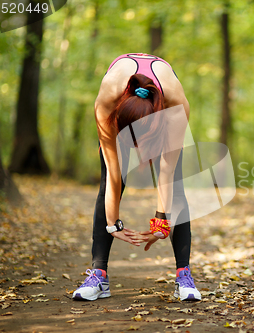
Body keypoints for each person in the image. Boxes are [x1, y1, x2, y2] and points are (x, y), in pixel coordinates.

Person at [72, 53, 201, 302]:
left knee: (176, 186)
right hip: (119, 109)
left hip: (164, 114)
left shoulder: (175, 106)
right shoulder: (107, 102)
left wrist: (160, 224)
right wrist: (113, 224)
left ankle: (184, 275)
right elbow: (113, 175)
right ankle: (98, 275)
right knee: (109, 183)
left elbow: (166, 172)